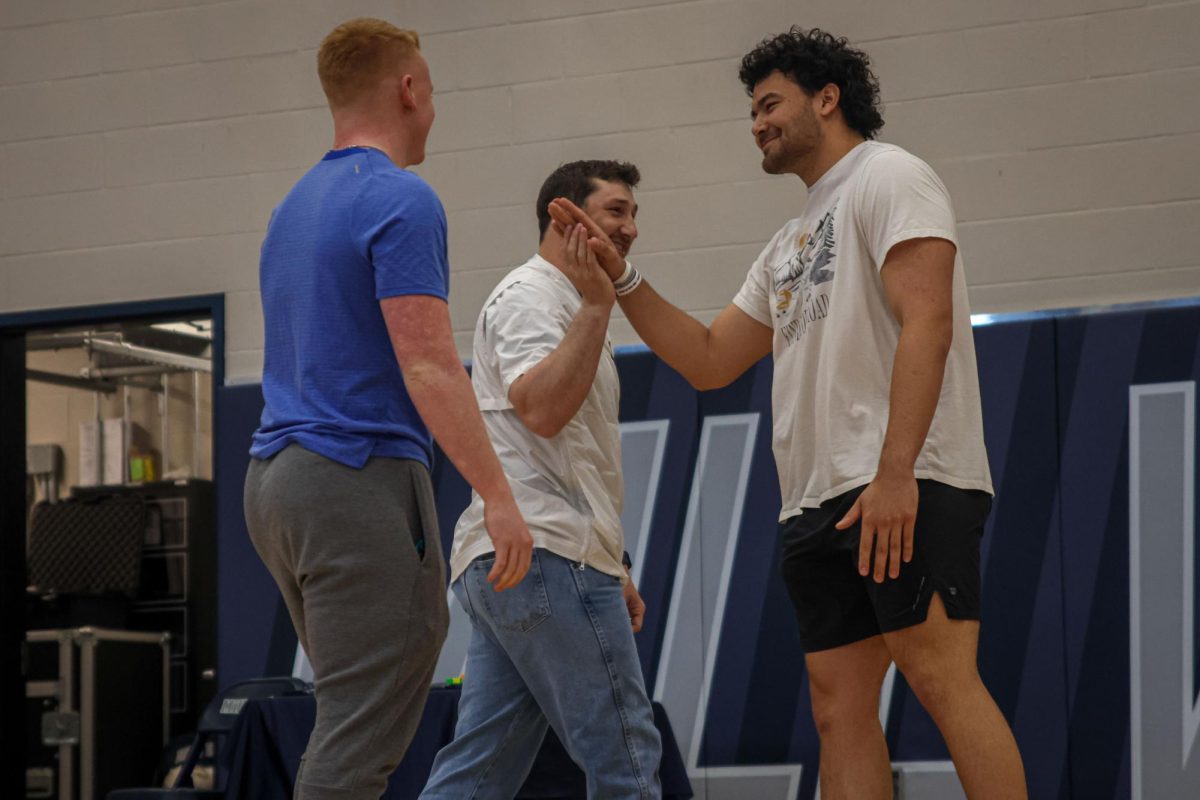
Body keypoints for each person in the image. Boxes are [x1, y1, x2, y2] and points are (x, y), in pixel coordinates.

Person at [549, 27, 1026, 800]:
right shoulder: (788, 241)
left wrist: (897, 472)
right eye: (752, 111)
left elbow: (929, 321)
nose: (757, 124)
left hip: (904, 482)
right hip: (816, 501)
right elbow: (709, 359)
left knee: (943, 682)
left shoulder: (891, 176)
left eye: (770, 103)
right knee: (838, 711)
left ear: (827, 98)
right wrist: (622, 278)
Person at [242, 18, 532, 800]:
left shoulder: (289, 209)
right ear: (408, 88)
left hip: (273, 484)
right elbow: (431, 367)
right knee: (359, 733)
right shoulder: (401, 199)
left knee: (351, 712)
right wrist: (498, 496)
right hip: (352, 476)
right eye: (430, 91)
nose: (432, 108)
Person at [420, 160, 662, 799]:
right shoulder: (534, 296)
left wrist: (616, 565)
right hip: (549, 558)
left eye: (633, 213)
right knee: (627, 756)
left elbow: (567, 459)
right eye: (615, 211)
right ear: (565, 215)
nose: (631, 227)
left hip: (532, 558)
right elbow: (543, 411)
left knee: (480, 770)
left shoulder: (569, 300)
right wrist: (596, 308)